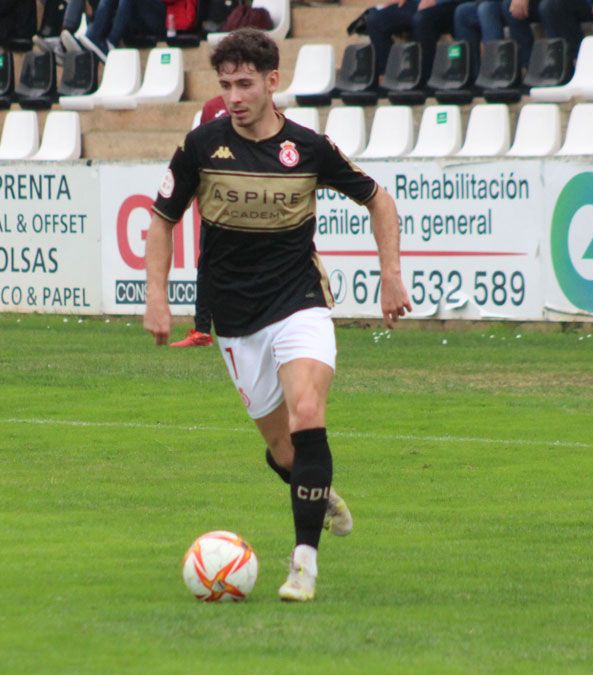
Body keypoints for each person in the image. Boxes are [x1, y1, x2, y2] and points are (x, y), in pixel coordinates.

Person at [143, 29, 411, 602]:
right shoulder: (201, 146)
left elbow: (378, 198)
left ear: (272, 82)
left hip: (299, 302)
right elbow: (162, 217)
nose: (234, 97)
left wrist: (391, 274)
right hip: (235, 320)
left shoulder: (308, 148)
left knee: (307, 412)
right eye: (225, 86)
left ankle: (303, 566)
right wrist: (156, 297)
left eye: (245, 84)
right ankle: (318, 489)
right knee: (286, 452)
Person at [170, 94, 227, 349]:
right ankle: (202, 330)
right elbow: (199, 155)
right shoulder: (212, 107)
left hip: (250, 209)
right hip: (215, 207)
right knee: (207, 267)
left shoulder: (259, 103)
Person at [364, 0, 471, 83]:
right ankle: (391, 77)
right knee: (374, 19)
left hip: (449, 4)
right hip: (416, 3)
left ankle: (426, 78)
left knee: (421, 19)